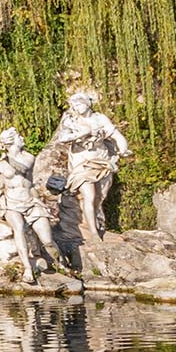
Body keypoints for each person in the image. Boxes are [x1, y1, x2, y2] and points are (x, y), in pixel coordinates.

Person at [0, 127, 58, 283]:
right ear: (11, 141)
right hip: (11, 204)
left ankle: (58, 263)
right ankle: (28, 269)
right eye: (19, 136)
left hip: (30, 201)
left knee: (47, 239)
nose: (22, 138)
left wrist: (6, 155)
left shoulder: (28, 157)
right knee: (18, 227)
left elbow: (22, 168)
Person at [47, 89, 130, 240]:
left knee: (99, 196)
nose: (77, 107)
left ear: (87, 104)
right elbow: (62, 139)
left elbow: (116, 135)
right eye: (74, 105)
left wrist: (123, 147)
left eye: (79, 104)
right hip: (82, 163)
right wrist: (81, 133)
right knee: (88, 196)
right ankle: (93, 232)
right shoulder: (71, 121)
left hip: (101, 160)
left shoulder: (100, 119)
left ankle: (91, 223)